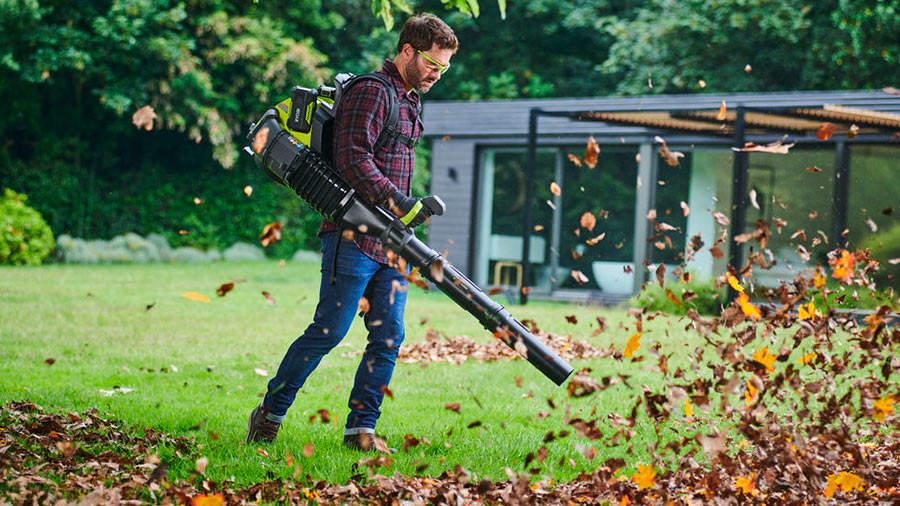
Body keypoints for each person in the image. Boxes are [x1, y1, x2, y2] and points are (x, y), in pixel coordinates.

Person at [246, 13, 458, 452]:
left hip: (391, 242)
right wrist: (396, 200)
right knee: (329, 329)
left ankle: (361, 430)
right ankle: (269, 413)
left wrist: (403, 207)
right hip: (352, 234)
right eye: (433, 65)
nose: (438, 75)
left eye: (444, 68)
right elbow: (351, 157)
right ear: (407, 51)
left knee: (388, 337)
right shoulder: (373, 92)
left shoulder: (411, 99)